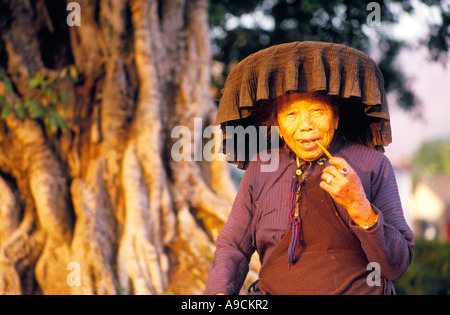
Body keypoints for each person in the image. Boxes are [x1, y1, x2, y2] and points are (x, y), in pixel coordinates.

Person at [205, 42, 414, 295]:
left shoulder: (372, 165)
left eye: (317, 111)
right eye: (291, 114)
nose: (305, 126)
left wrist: (359, 206)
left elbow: (396, 266)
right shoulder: (261, 168)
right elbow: (233, 248)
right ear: (278, 124)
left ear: (335, 117)